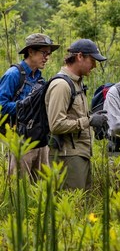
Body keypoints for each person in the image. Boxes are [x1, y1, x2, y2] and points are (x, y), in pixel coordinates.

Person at [45, 39, 108, 191]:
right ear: (80, 56)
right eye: (92, 60)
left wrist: (93, 118)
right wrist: (89, 121)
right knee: (73, 207)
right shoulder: (61, 85)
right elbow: (56, 125)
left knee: (83, 205)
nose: (94, 65)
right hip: (67, 156)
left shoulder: (77, 83)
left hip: (80, 154)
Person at [0, 33, 60, 179]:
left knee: (41, 184)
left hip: (39, 140)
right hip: (18, 140)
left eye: (49, 54)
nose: (46, 57)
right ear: (31, 51)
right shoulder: (13, 74)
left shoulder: (39, 78)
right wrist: (24, 106)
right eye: (43, 53)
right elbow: (1, 105)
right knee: (18, 186)